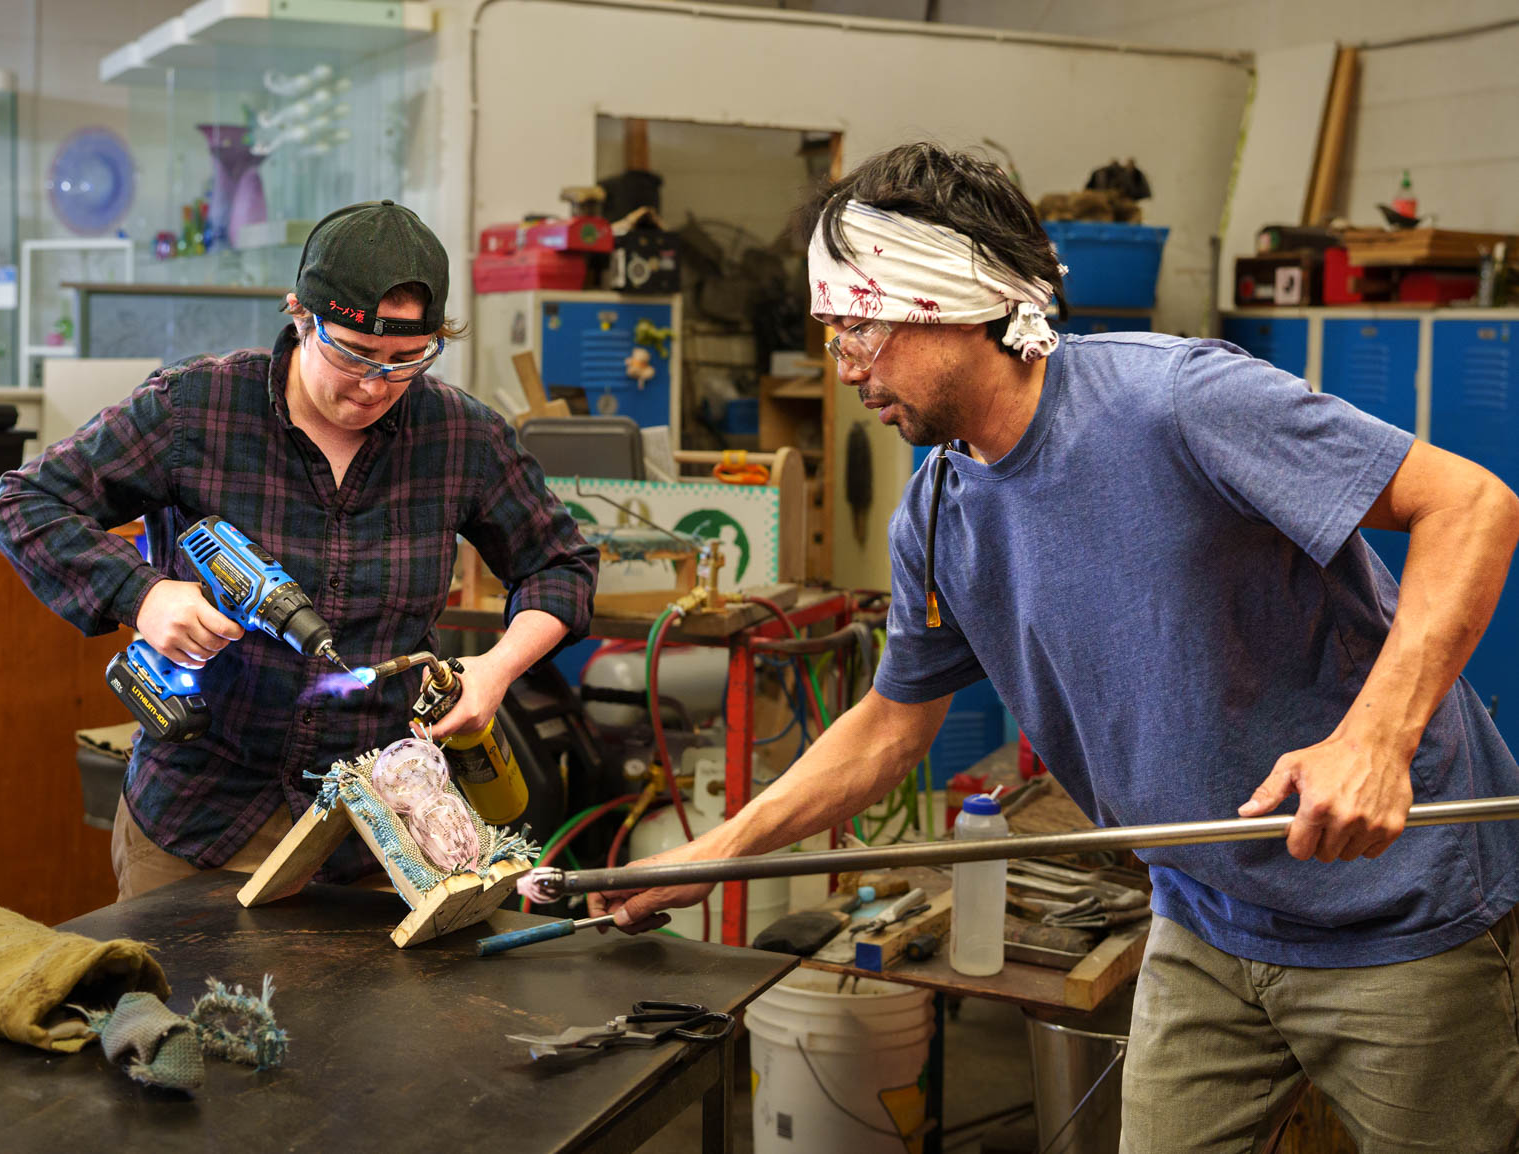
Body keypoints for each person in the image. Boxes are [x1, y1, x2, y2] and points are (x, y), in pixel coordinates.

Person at [591, 145, 1519, 1152]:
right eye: (832, 329)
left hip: (1398, 910)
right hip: (1206, 916)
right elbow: (890, 728)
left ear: (960, 301)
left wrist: (1377, 736)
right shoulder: (938, 515)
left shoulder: (1176, 403)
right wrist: (719, 853)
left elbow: (1471, 503)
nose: (846, 362)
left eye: (863, 321)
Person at [0, 200, 597, 901]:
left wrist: (495, 672)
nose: (375, 386)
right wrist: (144, 595)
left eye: (406, 362)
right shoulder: (195, 409)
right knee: (187, 1010)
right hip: (205, 816)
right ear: (299, 315)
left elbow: (561, 564)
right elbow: (25, 504)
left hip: (380, 828)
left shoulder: (463, 436)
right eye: (353, 355)